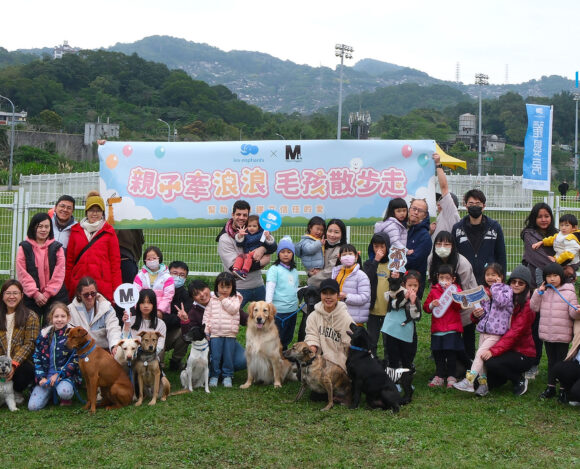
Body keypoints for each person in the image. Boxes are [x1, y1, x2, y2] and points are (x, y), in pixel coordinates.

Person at [453, 263, 512, 396]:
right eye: (488, 274)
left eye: (494, 275)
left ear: (501, 277)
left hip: (496, 333)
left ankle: (469, 381)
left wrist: (495, 287)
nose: (490, 277)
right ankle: (483, 385)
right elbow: (485, 312)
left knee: (480, 354)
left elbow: (502, 302)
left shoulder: (505, 290)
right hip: (484, 331)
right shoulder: (485, 292)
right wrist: (477, 314)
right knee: (481, 359)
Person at [481, 265, 536, 396]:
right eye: (513, 281)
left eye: (520, 283)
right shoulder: (505, 298)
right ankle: (505, 376)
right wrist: (476, 315)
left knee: (491, 362)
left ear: (526, 286)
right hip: (505, 348)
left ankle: (518, 379)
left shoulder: (528, 305)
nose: (516, 285)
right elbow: (490, 316)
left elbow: (514, 333)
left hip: (523, 352)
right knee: (490, 380)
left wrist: (493, 351)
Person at [530, 262, 580, 399]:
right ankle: (550, 387)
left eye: (555, 275)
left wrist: (577, 312)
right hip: (547, 333)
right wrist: (538, 293)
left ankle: (563, 389)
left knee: (562, 361)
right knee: (551, 361)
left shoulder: (569, 293)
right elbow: (534, 307)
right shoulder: (543, 292)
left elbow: (573, 313)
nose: (552, 279)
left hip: (563, 334)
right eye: (548, 276)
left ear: (561, 276)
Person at [427, 230, 478, 361]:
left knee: (467, 334)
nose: (442, 247)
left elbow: (463, 291)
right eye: (438, 243)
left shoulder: (463, 264)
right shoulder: (431, 259)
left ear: (453, 246)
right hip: (444, 304)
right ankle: (444, 361)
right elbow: (433, 283)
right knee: (444, 332)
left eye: (447, 244)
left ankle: (469, 364)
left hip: (465, 301)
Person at [521, 202, 558, 379]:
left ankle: (557, 367)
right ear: (534, 218)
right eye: (540, 216)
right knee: (534, 327)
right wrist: (560, 267)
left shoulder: (559, 235)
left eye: (547, 216)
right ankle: (533, 363)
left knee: (557, 328)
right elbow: (537, 257)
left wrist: (570, 267)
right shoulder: (529, 234)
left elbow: (573, 255)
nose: (544, 219)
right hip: (536, 289)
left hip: (557, 290)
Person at [65, 190, 122, 304]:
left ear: (102, 212)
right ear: (86, 212)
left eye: (98, 210)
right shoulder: (76, 231)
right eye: (91, 210)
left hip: (102, 287)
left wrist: (116, 291)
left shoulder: (109, 232)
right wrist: (68, 287)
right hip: (79, 285)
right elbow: (69, 262)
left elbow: (115, 264)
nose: (94, 214)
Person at [177, 279, 247, 371]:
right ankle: (216, 369)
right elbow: (187, 338)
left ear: (208, 288)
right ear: (193, 299)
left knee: (242, 361)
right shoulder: (193, 312)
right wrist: (185, 321)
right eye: (197, 294)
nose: (202, 294)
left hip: (228, 339)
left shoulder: (223, 299)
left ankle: (222, 368)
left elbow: (243, 317)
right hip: (208, 344)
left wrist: (258, 319)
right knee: (208, 365)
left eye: (203, 290)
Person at [216, 200, 272, 307]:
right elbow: (235, 269)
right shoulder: (224, 238)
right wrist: (261, 262)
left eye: (245, 215)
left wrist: (263, 249)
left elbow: (272, 246)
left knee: (266, 319)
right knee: (232, 319)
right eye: (238, 214)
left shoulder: (255, 231)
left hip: (258, 284)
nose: (241, 217)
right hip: (238, 287)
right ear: (232, 215)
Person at [16, 212, 69, 322]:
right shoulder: (24, 247)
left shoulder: (57, 247)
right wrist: (35, 294)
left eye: (46, 226)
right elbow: (22, 273)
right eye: (40, 226)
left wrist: (47, 293)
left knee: (51, 327)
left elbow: (59, 273)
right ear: (33, 227)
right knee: (30, 324)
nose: (43, 230)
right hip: (30, 296)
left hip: (54, 295)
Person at [28, 303, 80, 410]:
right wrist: (41, 377)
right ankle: (50, 393)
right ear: (51, 318)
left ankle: (64, 396)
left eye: (63, 316)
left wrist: (60, 374)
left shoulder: (72, 334)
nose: (59, 319)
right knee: (33, 407)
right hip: (46, 377)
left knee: (65, 392)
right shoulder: (44, 334)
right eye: (56, 316)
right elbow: (37, 358)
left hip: (64, 377)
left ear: (68, 317)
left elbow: (75, 360)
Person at [452, 189, 506, 285]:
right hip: (465, 280)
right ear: (466, 206)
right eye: (471, 203)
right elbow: (454, 256)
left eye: (478, 203)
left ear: (483, 206)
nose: (474, 206)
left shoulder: (494, 227)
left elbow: (501, 256)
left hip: (489, 281)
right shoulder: (457, 229)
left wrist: (502, 280)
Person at [423, 264, 464, 388]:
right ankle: (439, 375)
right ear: (437, 277)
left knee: (451, 353)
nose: (444, 281)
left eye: (447, 278)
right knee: (438, 353)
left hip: (452, 328)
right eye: (442, 278)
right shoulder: (434, 290)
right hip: (437, 329)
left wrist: (454, 298)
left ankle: (452, 376)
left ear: (453, 279)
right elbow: (426, 307)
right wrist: (432, 305)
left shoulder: (457, 290)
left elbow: (460, 307)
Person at [0, 280, 40, 404]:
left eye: (15, 293)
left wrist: (13, 364)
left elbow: (30, 344)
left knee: (25, 371)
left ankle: (16, 392)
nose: (12, 296)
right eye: (8, 293)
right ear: (2, 296)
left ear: (22, 296)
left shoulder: (31, 316)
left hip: (21, 363)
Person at [304, 279, 353, 373]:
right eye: (324, 293)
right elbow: (311, 336)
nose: (328, 297)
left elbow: (349, 343)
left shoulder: (345, 317)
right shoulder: (313, 316)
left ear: (338, 295)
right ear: (320, 295)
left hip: (339, 360)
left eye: (332, 293)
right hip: (319, 358)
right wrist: (312, 348)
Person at [204, 272, 243, 388]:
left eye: (228, 287)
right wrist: (207, 329)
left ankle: (227, 376)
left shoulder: (236, 298)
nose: (224, 290)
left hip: (230, 334)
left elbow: (234, 310)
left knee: (228, 356)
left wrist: (223, 300)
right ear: (217, 287)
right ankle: (214, 375)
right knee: (215, 356)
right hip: (215, 334)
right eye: (222, 287)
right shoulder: (212, 300)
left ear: (233, 287)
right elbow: (207, 315)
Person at [68, 277, 121, 355]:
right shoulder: (70, 310)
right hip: (79, 353)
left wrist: (114, 346)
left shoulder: (107, 308)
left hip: (103, 352)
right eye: (86, 295)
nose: (90, 297)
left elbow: (113, 328)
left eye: (93, 293)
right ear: (79, 294)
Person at [381, 270, 422, 370]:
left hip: (405, 332)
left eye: (415, 286)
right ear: (404, 284)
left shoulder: (416, 299)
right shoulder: (397, 292)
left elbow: (416, 316)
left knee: (406, 356)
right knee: (392, 356)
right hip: (391, 330)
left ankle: (405, 380)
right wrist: (404, 298)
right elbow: (394, 305)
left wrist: (412, 303)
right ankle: (394, 380)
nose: (412, 288)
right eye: (410, 285)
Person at [265, 237, 299, 350]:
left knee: (288, 336)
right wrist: (268, 306)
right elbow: (270, 287)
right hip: (279, 311)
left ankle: (283, 354)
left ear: (293, 254)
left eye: (289, 252)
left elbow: (295, 288)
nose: (286, 255)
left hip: (292, 310)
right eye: (283, 252)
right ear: (278, 253)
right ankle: (274, 358)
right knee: (276, 337)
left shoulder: (294, 271)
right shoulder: (274, 269)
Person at [363, 232, 391, 358]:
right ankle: (372, 362)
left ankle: (388, 365)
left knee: (388, 341)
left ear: (388, 247)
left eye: (382, 247)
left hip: (389, 311)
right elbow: (367, 278)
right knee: (371, 340)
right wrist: (376, 261)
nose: (379, 250)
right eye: (376, 247)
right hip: (373, 310)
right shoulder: (369, 264)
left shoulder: (393, 264)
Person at [331, 244, 370, 325]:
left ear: (356, 256)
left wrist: (346, 296)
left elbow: (364, 297)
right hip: (338, 317)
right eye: (344, 255)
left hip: (354, 320)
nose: (347, 256)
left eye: (350, 254)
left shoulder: (361, 276)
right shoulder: (336, 273)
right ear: (340, 258)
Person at [531, 213, 580, 279]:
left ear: (574, 228)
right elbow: (552, 239)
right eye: (561, 225)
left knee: (565, 276)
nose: (563, 228)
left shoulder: (571, 239)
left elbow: (569, 255)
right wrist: (541, 242)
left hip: (570, 263)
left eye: (567, 225)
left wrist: (556, 261)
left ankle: (569, 283)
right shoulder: (561, 234)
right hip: (561, 260)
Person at [134, 246, 175, 316]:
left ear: (159, 258)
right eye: (148, 259)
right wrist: (138, 308)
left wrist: (160, 310)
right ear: (145, 261)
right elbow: (135, 293)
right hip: (143, 311)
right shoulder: (139, 276)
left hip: (161, 312)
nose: (151, 260)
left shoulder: (167, 277)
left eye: (154, 258)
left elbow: (168, 296)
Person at [166, 261, 192, 371]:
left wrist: (164, 317)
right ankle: (158, 363)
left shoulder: (187, 296)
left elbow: (183, 319)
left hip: (174, 333)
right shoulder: (159, 290)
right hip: (157, 332)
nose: (178, 277)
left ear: (185, 278)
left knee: (185, 330)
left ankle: (176, 361)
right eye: (174, 273)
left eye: (182, 275)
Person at [123, 289, 167, 354]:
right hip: (131, 357)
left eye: (149, 302)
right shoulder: (130, 320)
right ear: (138, 305)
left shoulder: (161, 324)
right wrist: (126, 325)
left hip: (152, 358)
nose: (146, 306)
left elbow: (159, 347)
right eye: (142, 302)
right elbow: (124, 342)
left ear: (154, 305)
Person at [307, 218, 347, 289]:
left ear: (342, 234)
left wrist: (311, 280)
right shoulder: (320, 245)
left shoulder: (342, 250)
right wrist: (310, 272)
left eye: (336, 232)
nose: (332, 235)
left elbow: (330, 272)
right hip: (316, 286)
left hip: (332, 288)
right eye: (330, 231)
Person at [233, 215, 276, 279]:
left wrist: (268, 237)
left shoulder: (262, 234)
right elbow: (239, 244)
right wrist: (240, 236)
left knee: (247, 257)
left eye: (254, 226)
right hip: (247, 253)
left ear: (259, 227)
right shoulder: (246, 234)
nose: (251, 228)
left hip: (256, 254)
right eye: (249, 226)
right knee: (240, 256)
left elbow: (270, 244)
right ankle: (236, 269)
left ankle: (244, 272)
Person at [406, 198, 433, 299]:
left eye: (420, 211)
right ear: (409, 210)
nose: (416, 212)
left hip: (413, 287)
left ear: (425, 215)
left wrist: (396, 258)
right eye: (414, 208)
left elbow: (414, 260)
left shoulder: (424, 236)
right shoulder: (402, 229)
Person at [430, 153, 460, 241]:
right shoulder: (441, 216)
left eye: (442, 200)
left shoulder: (451, 213)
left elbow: (444, 187)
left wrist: (438, 165)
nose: (439, 203)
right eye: (438, 201)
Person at [552, 320, 580, 405]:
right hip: (578, 363)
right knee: (558, 368)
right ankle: (572, 391)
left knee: (576, 392)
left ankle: (576, 393)